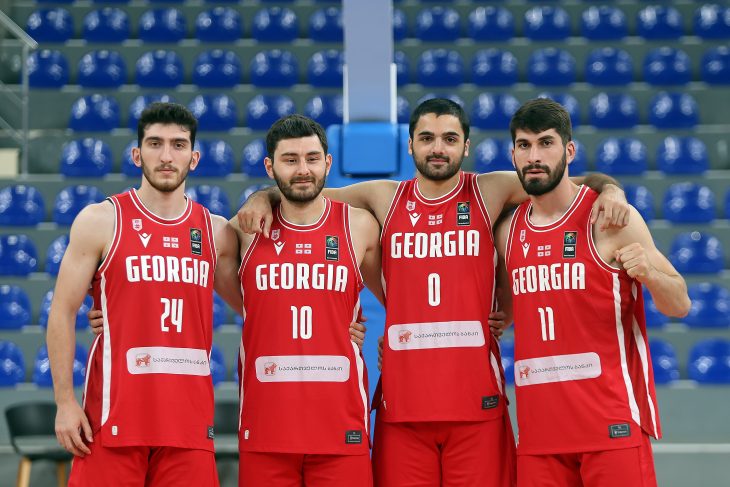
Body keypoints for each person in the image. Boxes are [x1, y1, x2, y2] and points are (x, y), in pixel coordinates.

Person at [238, 98, 630, 486]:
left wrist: (611, 190)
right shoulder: (385, 197)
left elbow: (567, 182)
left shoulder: (489, 190)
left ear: (466, 146)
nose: (438, 148)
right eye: (427, 138)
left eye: (449, 139)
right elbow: (306, 193)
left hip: (477, 403)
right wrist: (261, 196)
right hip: (403, 407)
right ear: (410, 145)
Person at [493, 98, 691, 487]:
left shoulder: (611, 219)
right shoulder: (507, 232)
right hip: (539, 436)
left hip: (610, 427)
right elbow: (505, 309)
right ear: (513, 154)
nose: (534, 156)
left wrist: (649, 273)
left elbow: (680, 303)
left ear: (569, 151)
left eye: (546, 143)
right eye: (524, 145)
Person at [47, 102, 242, 486]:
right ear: (137, 155)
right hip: (112, 420)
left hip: (188, 427)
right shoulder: (101, 221)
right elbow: (61, 312)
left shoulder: (215, 232)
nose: (166, 156)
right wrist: (65, 402)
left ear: (194, 158)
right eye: (155, 143)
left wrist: (340, 326)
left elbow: (260, 307)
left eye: (178, 145)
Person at [231, 114, 383, 486]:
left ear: (327, 163)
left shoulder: (360, 225)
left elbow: (402, 294)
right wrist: (106, 310)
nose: (303, 169)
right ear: (270, 167)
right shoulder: (242, 230)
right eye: (290, 159)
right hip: (267, 426)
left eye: (312, 159)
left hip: (340, 425)